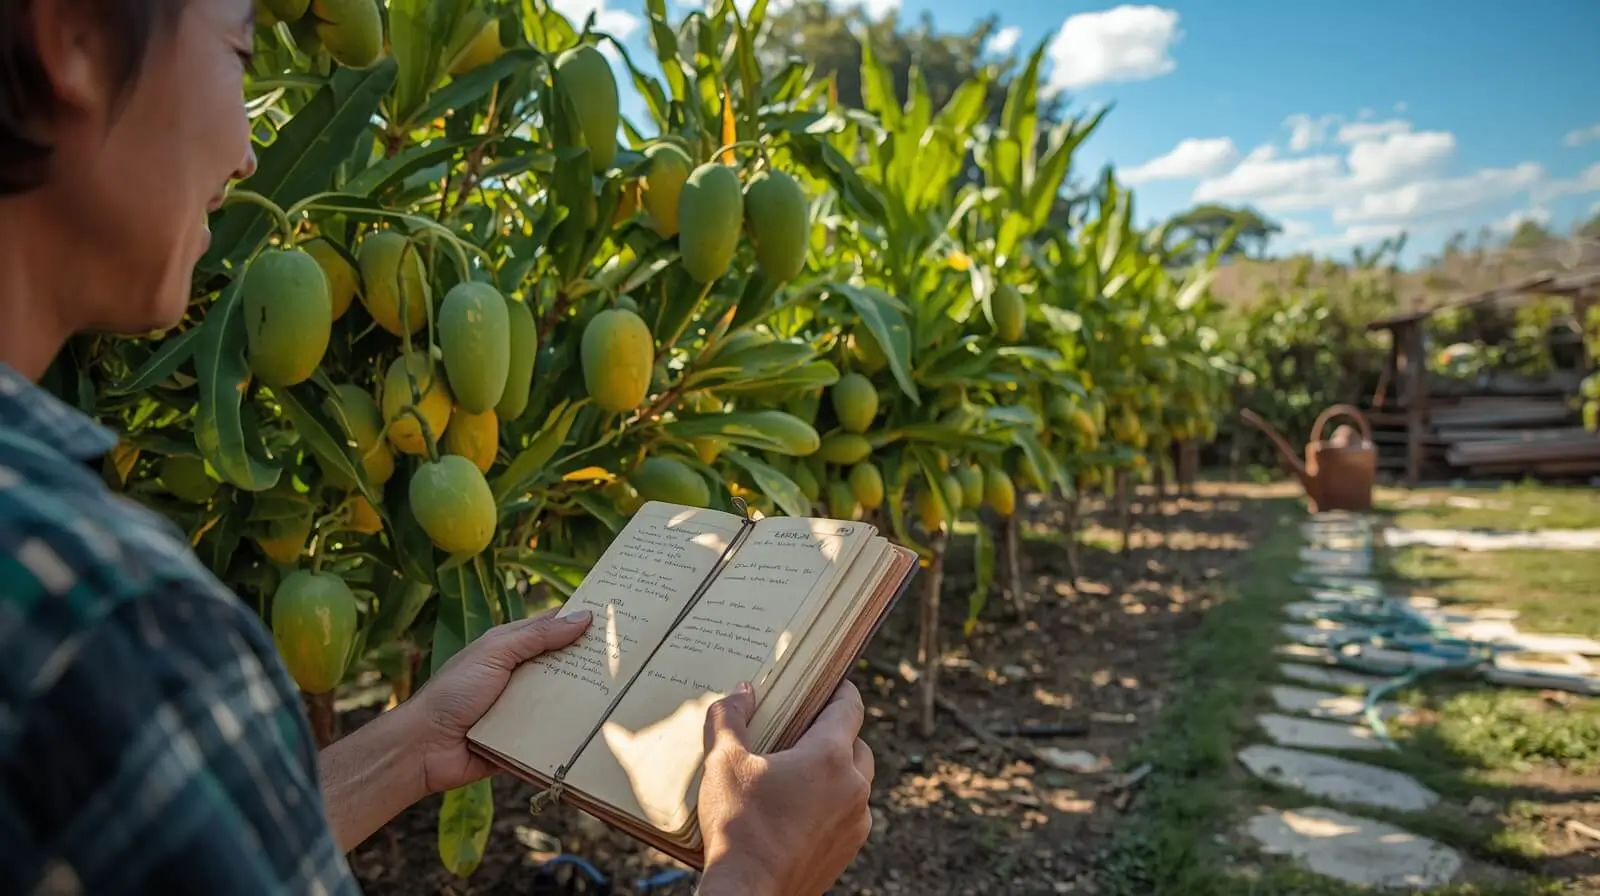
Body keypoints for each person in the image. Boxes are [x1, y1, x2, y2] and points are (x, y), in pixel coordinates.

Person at [0, 1, 875, 893]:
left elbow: (175, 844)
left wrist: (413, 744)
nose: (251, 151)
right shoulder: (107, 613)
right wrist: (759, 870)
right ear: (70, 37)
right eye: (238, 48)